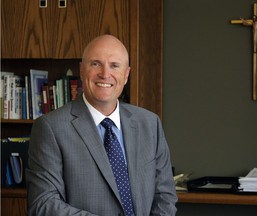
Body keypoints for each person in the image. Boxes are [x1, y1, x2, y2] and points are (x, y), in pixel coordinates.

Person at [26, 34, 178, 215]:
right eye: (95, 64)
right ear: (82, 70)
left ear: (126, 74)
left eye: (114, 65)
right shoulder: (51, 127)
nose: (105, 74)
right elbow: (43, 204)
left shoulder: (150, 124)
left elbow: (165, 196)